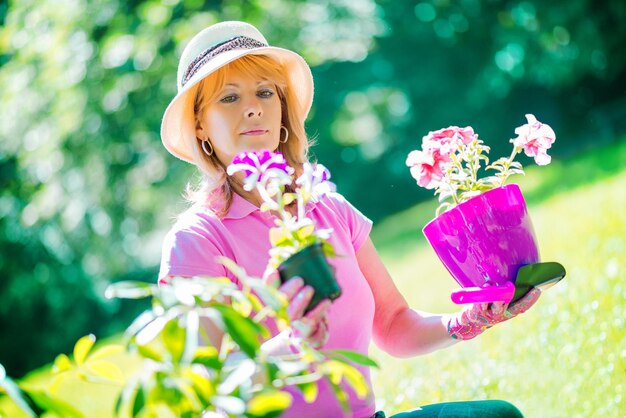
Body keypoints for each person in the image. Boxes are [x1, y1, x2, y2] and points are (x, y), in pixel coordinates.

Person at [158, 21, 541, 418]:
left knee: (499, 416)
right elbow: (198, 391)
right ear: (200, 124)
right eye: (229, 97)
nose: (253, 106)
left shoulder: (328, 208)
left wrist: (471, 319)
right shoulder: (197, 240)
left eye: (264, 92)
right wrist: (290, 345)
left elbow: (393, 323)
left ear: (282, 108)